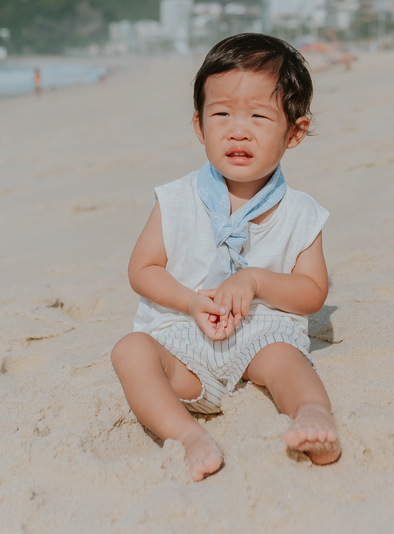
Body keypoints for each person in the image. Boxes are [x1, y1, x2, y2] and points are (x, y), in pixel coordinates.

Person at [110, 33, 339, 482]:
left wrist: (255, 280)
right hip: (184, 337)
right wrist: (190, 302)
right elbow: (142, 269)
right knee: (130, 351)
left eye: (258, 116)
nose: (238, 129)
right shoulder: (177, 200)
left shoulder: (299, 212)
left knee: (286, 361)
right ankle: (189, 436)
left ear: (295, 131)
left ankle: (313, 414)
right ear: (199, 125)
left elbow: (312, 293)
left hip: (258, 337)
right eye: (222, 114)